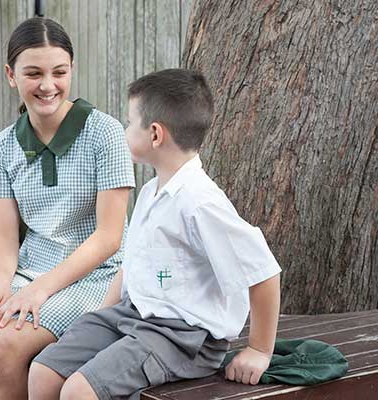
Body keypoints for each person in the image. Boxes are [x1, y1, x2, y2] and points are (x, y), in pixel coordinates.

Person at [29, 69, 282, 400]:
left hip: (183, 337)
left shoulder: (200, 202)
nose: (124, 129)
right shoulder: (151, 192)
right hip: (132, 315)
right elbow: (131, 264)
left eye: (130, 122)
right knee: (43, 373)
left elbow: (263, 273)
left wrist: (259, 350)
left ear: (155, 134)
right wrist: (103, 316)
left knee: (79, 391)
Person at [0, 17, 135, 400]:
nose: (48, 85)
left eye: (59, 72)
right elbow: (6, 239)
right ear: (11, 75)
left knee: (3, 346)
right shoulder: (3, 145)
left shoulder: (105, 133)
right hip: (29, 272)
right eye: (34, 73)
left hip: (98, 276)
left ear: (72, 70)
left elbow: (110, 239)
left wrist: (40, 291)